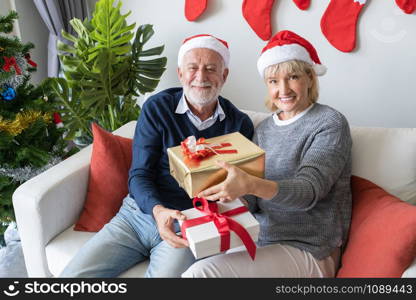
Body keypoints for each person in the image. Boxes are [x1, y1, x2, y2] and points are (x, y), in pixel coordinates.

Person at [60, 34, 254, 277]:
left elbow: (241, 184)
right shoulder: (158, 108)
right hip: (137, 216)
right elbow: (139, 174)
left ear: (223, 76)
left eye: (211, 69)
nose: (201, 77)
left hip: (190, 223)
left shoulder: (240, 124)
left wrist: (238, 197)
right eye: (192, 68)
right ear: (181, 73)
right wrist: (157, 210)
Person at [182, 30, 352, 278]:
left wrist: (250, 183)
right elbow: (251, 199)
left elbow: (309, 191)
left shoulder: (329, 123)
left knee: (201, 275)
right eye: (273, 81)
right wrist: (222, 196)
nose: (283, 89)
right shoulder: (264, 130)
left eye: (292, 77)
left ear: (309, 78)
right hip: (260, 239)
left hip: (310, 249)